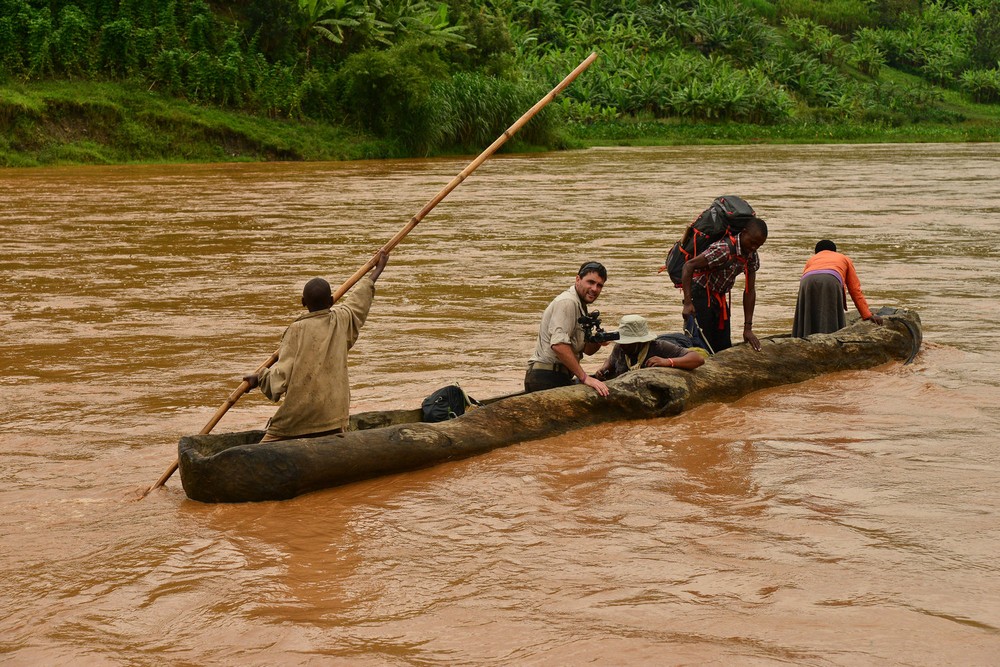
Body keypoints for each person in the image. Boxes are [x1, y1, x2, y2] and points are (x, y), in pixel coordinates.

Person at [243, 251, 389, 441]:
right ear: (330, 301)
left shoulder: (296, 330)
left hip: (299, 418)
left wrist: (260, 377)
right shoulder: (342, 319)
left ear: (303, 303)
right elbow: (359, 299)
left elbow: (281, 378)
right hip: (334, 417)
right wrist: (378, 270)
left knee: (259, 452)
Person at [680, 216, 768, 354]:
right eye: (752, 242)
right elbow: (688, 266)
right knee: (701, 347)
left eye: (758, 245)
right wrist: (687, 303)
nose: (754, 247)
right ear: (744, 233)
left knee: (724, 348)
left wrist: (748, 328)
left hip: (719, 299)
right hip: (700, 296)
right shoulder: (723, 249)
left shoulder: (751, 255)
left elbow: (749, 290)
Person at [525, 261, 611, 396]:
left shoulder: (580, 305)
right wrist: (585, 378)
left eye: (599, 285)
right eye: (590, 282)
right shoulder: (568, 302)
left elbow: (587, 350)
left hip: (556, 376)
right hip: (547, 377)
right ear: (578, 279)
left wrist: (598, 341)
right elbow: (558, 345)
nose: (594, 289)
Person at [792, 240, 883, 337]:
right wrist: (867, 314)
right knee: (830, 313)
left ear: (817, 252)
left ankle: (804, 336)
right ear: (835, 251)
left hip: (806, 281)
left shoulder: (811, 259)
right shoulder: (844, 258)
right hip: (831, 278)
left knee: (809, 309)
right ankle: (830, 339)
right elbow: (855, 289)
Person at [592, 315, 705, 381]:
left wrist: (667, 362)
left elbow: (697, 359)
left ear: (639, 341)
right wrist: (603, 369)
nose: (623, 345)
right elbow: (611, 361)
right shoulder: (620, 348)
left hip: (678, 342)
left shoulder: (659, 347)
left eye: (627, 342)